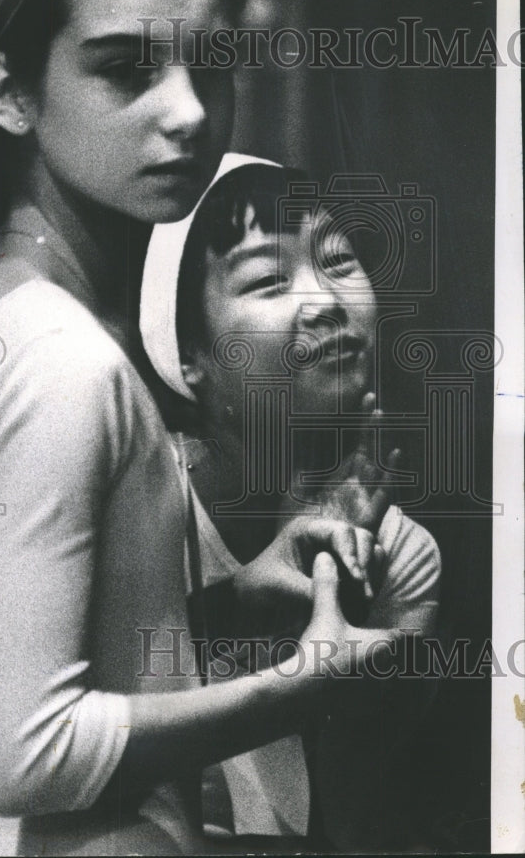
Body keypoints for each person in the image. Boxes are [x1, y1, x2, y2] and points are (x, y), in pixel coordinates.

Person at [0, 0, 401, 858]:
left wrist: (231, 600)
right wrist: (298, 683)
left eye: (211, 67)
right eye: (126, 68)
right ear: (9, 93)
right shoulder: (67, 362)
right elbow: (24, 756)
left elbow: (11, 651)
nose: (187, 111)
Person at [140, 153, 442, 851]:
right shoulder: (131, 504)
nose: (325, 301)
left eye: (338, 263)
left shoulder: (402, 554)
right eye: (270, 280)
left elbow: (352, 823)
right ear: (190, 352)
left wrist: (345, 604)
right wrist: (237, 604)